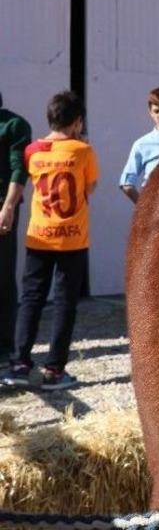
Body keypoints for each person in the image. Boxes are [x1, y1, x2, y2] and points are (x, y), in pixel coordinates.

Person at [3, 91, 98, 391]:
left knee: (31, 299)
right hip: (72, 239)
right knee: (64, 303)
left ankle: (19, 364)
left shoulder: (33, 150)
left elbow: (26, 177)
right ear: (77, 121)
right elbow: (90, 187)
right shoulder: (83, 151)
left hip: (39, 236)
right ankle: (54, 371)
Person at [0, 91, 32, 369]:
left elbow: (18, 170)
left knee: (2, 275)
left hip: (1, 207)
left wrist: (8, 206)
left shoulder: (14, 125)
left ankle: (3, 345)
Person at [119, 87, 159, 203]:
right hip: (154, 208)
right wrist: (144, 208)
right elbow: (126, 183)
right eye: (157, 111)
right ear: (150, 113)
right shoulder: (142, 144)